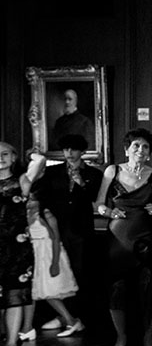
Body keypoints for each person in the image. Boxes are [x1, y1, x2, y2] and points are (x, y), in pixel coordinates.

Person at [95, 129, 152, 346]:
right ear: (127, 149)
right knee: (116, 289)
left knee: (148, 288)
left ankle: (149, 337)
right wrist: (109, 211)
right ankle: (121, 337)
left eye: (145, 147)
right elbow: (98, 204)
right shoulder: (112, 171)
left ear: (150, 153)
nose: (140, 150)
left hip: (145, 239)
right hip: (118, 239)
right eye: (136, 146)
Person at [30, 132, 101, 328]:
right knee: (59, 272)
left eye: (74, 149)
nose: (69, 153)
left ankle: (78, 317)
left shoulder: (94, 174)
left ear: (82, 151)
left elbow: (96, 198)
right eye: (66, 149)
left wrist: (81, 183)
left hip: (80, 230)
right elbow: (38, 193)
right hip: (55, 229)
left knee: (78, 272)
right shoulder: (53, 172)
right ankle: (62, 316)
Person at [19, 187, 83, 343]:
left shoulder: (46, 215)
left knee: (47, 291)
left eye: (32, 199)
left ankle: (71, 320)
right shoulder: (25, 215)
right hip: (34, 254)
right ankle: (27, 327)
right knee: (33, 291)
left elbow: (55, 239)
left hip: (47, 254)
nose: (29, 202)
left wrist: (55, 263)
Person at [0, 142, 33, 346]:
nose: (0, 158)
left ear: (13, 157)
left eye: (5, 154)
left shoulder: (22, 181)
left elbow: (39, 162)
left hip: (16, 247)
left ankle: (12, 343)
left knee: (15, 295)